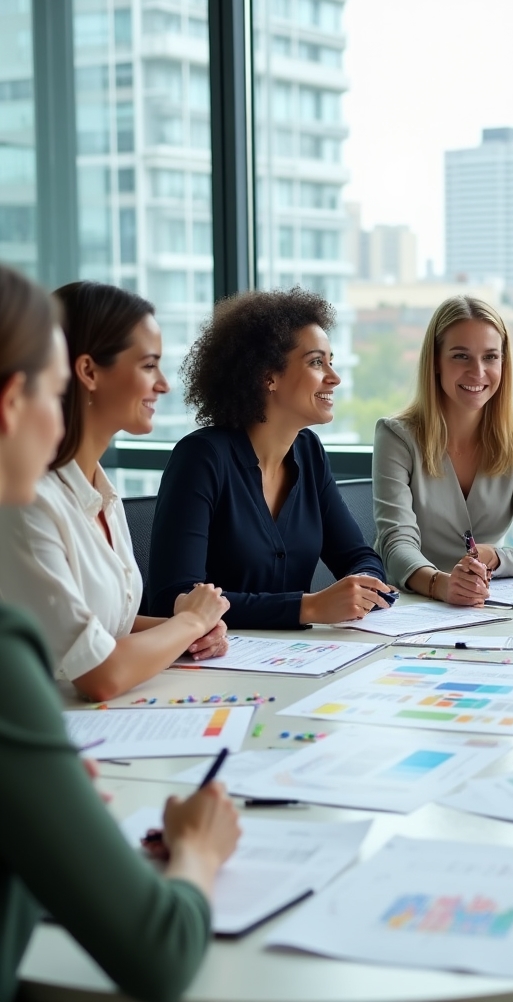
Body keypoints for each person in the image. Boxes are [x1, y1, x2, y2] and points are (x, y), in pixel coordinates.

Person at [0, 263, 240, 1002]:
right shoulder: (31, 509)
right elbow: (159, 954)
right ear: (15, 402)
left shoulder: (101, 489)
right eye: (50, 390)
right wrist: (198, 847)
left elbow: (95, 619)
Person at [0, 282, 230, 702]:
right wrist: (189, 624)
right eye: (148, 366)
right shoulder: (28, 503)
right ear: (88, 372)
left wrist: (186, 629)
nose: (164, 385)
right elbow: (99, 673)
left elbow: (104, 628)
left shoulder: (100, 492)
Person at [149, 288, 390, 629]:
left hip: (296, 659)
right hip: (214, 664)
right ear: (268, 376)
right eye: (316, 362)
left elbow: (358, 556)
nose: (334, 378)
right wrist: (306, 608)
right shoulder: (202, 458)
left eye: (331, 361)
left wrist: (364, 584)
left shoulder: (309, 451)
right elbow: (174, 597)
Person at [373, 295, 513, 606]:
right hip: (413, 605)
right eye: (461, 356)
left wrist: (494, 557)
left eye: (490, 357)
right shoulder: (396, 435)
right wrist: (440, 584)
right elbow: (396, 543)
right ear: (435, 361)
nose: (478, 372)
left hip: (483, 603)